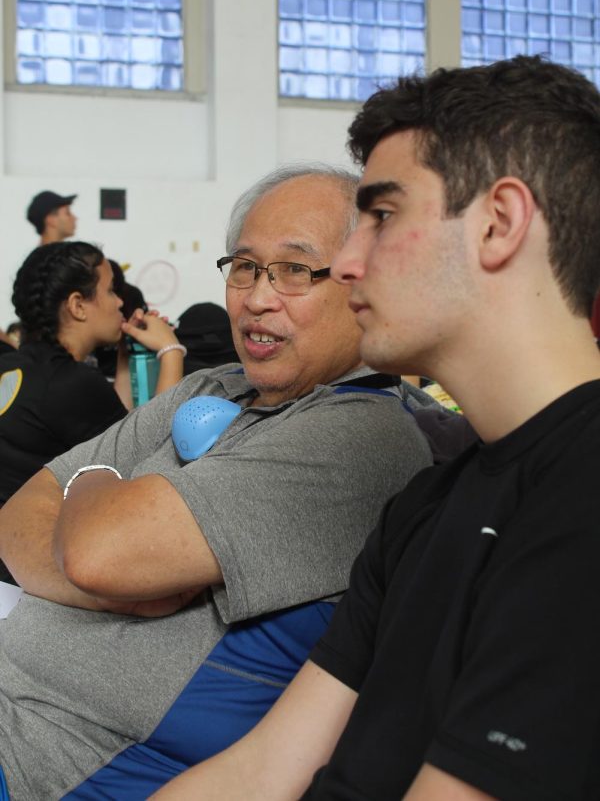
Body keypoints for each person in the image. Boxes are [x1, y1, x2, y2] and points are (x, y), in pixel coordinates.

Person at [152, 55, 600, 801]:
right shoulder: (426, 506)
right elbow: (262, 771)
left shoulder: (581, 501)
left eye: (382, 217)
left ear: (500, 222)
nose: (349, 264)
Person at [0, 164, 438, 800]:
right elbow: (18, 515)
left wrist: (88, 481)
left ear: (361, 282)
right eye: (245, 267)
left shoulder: (363, 435)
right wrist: (108, 588)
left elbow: (99, 551)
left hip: (51, 765)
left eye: (295, 269)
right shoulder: (215, 385)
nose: (258, 298)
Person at [0, 241, 184, 507]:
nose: (120, 301)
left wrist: (124, 356)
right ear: (77, 306)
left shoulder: (15, 365)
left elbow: (114, 434)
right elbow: (152, 460)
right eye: (110, 291)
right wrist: (171, 350)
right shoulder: (70, 384)